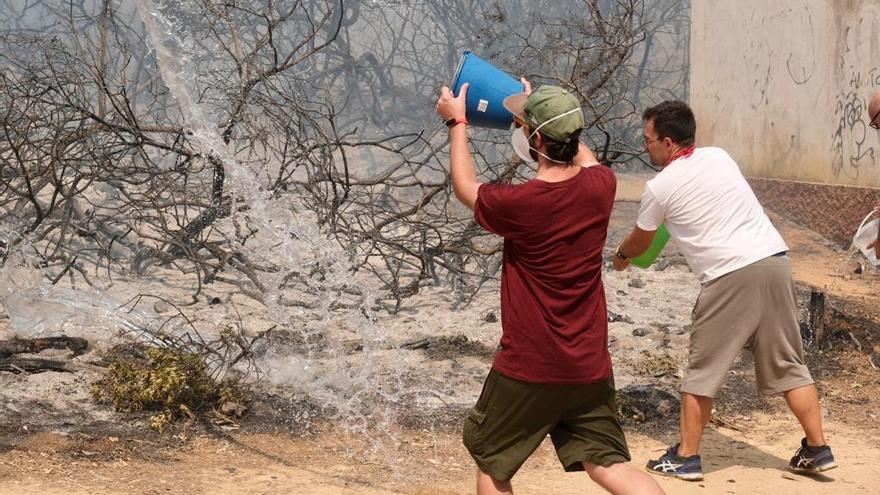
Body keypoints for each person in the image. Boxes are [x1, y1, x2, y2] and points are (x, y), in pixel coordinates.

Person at [435, 81, 664, 495]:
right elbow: (583, 155)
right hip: (588, 363)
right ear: (573, 135)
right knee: (606, 464)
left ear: (535, 138)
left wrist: (457, 122)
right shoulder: (603, 185)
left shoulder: (521, 203)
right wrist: (539, 115)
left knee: (492, 465)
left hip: (530, 366)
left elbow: (465, 186)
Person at [613, 100, 837, 481]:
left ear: (667, 142)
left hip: (729, 276)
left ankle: (685, 458)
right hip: (775, 261)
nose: (645, 146)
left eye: (648, 140)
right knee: (788, 363)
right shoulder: (719, 157)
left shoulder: (659, 186)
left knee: (703, 371)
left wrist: (620, 256)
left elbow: (640, 243)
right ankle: (817, 449)